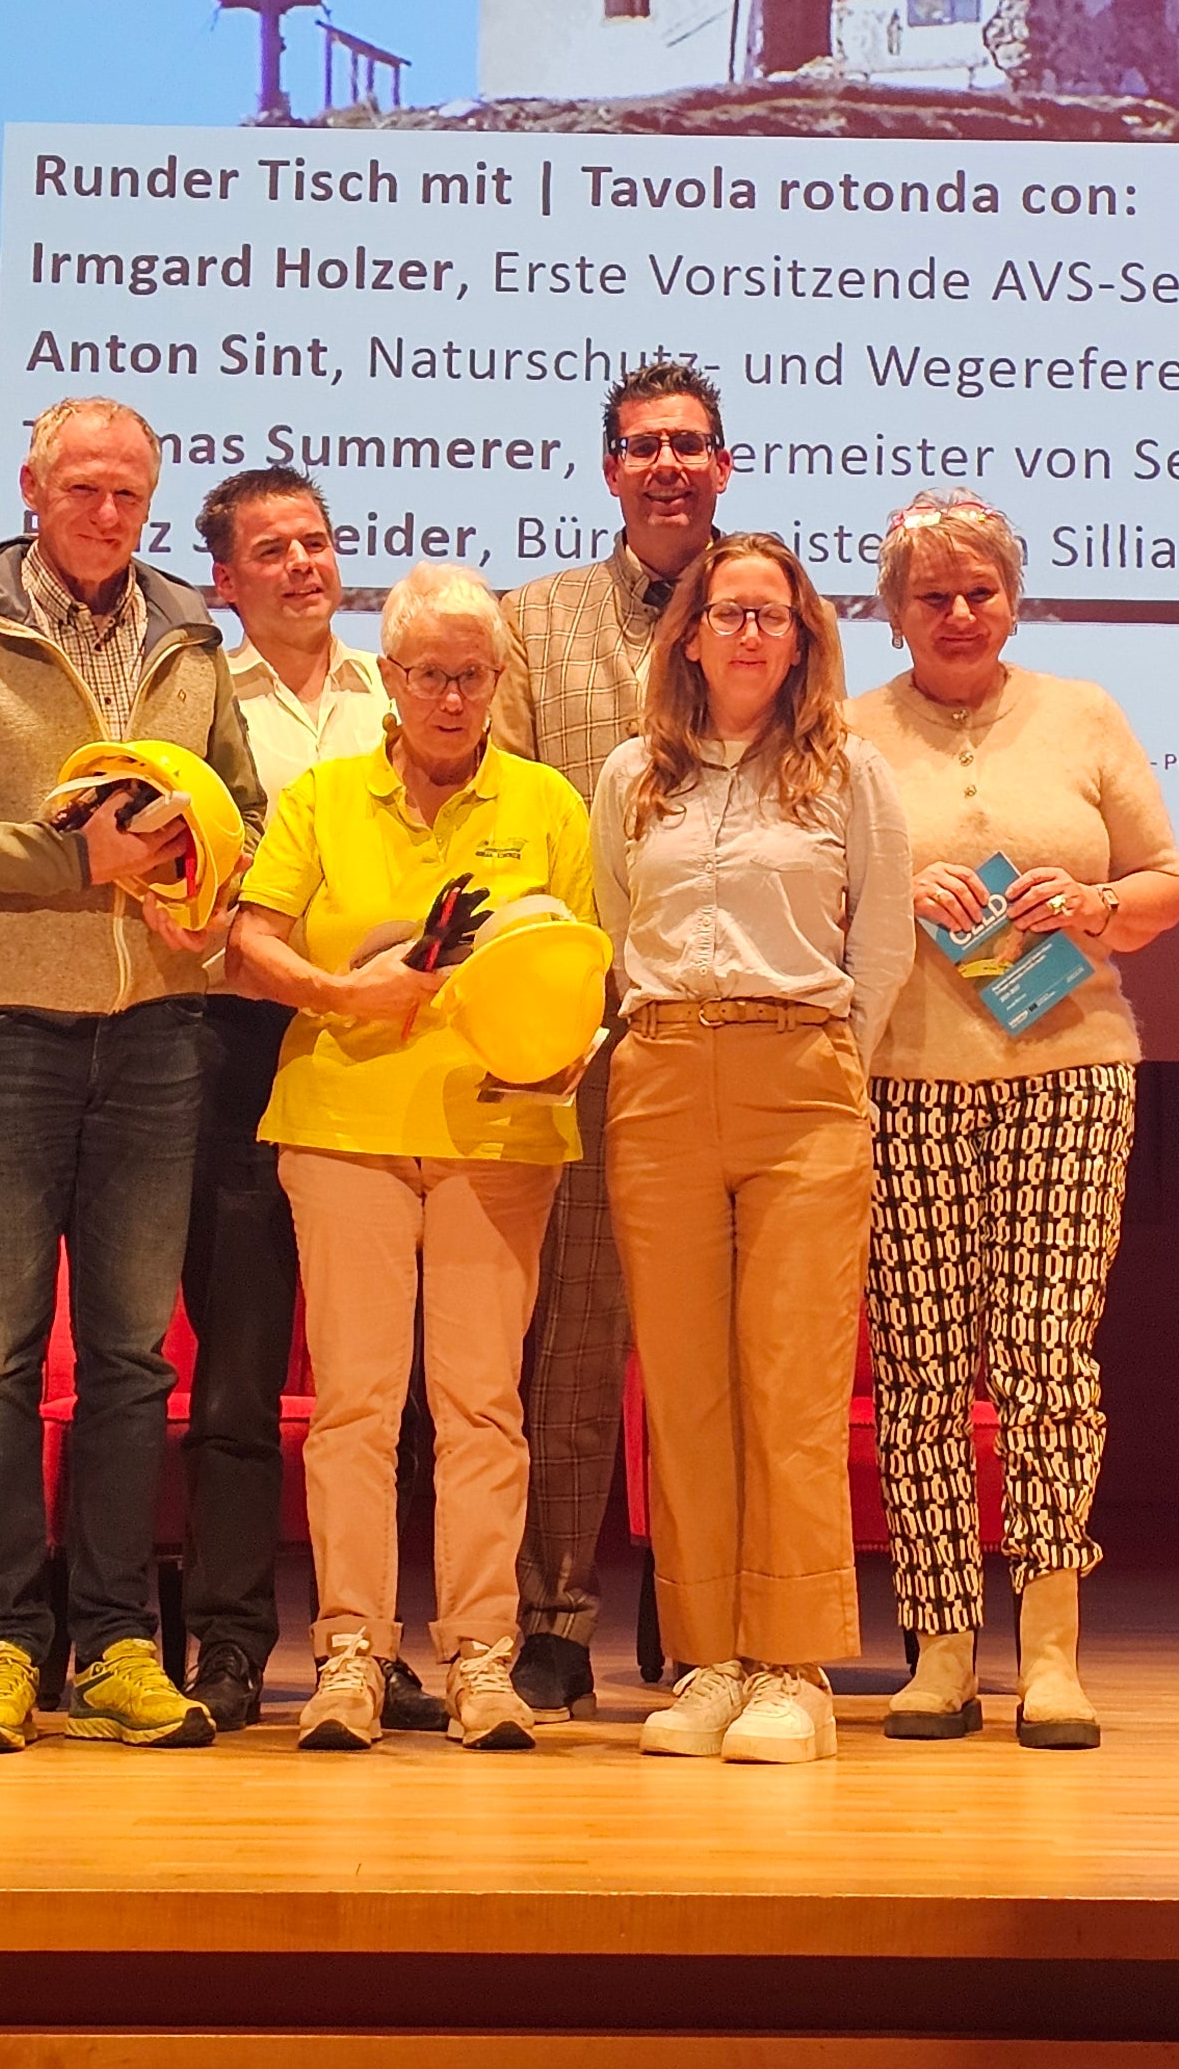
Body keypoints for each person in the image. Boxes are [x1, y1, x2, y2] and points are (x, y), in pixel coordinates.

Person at [0, 394, 264, 1754]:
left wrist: (206, 880)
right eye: (81, 487)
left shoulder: (191, 636)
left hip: (158, 1031)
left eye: (128, 493)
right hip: (1, 1029)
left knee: (134, 1361)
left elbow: (247, 813)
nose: (106, 512)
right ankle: (3, 1648)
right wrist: (67, 861)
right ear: (31, 487)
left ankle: (118, 1647)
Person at [227, 561, 599, 1752]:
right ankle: (352, 1654)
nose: (451, 697)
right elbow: (248, 941)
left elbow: (589, 965)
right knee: (355, 1406)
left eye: (473, 675)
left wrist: (564, 1050)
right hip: (344, 1124)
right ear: (387, 677)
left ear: (499, 679)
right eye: (430, 674)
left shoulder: (547, 801)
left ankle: (482, 1658)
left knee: (482, 1405)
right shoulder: (324, 795)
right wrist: (347, 993)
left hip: (498, 1131)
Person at [846, 491, 1179, 1749]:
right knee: (920, 1369)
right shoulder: (846, 732)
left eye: (979, 591)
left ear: (1012, 599)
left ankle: (1051, 1650)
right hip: (901, 1079)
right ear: (892, 614)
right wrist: (893, 889)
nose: (958, 613)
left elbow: (1165, 884)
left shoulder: (1083, 712)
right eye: (931, 595)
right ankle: (940, 1647)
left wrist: (1091, 907)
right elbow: (814, 895)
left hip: (1069, 1070)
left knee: (1046, 1359)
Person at [594, 530, 911, 1768]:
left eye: (770, 615)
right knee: (682, 1388)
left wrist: (825, 1059)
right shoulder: (633, 773)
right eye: (725, 613)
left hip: (801, 1080)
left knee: (791, 1384)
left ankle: (792, 1666)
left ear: (801, 639)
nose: (746, 633)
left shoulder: (847, 771)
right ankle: (710, 1658)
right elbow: (616, 925)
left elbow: (880, 943)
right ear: (687, 637)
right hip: (663, 1074)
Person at [487, 358, 732, 1716]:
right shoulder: (533, 621)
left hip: (728, 1037)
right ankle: (554, 1619)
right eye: (644, 446)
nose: (667, 465)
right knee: (573, 1348)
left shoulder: (768, 615)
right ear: (609, 471)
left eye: (689, 444)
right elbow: (513, 822)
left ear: (723, 466)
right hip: (583, 1037)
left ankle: (709, 1616)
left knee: (708, 1354)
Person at [180, 462, 388, 1732]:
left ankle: (376, 1641)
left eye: (315, 541)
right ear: (223, 579)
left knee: (381, 1382)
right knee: (239, 1374)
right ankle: (229, 1641)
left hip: (385, 1053)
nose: (305, 565)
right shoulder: (200, 694)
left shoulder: (396, 691)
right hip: (237, 1048)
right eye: (273, 550)